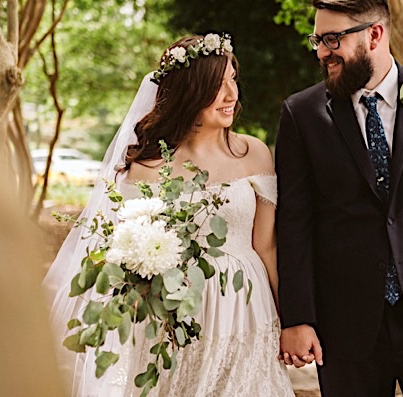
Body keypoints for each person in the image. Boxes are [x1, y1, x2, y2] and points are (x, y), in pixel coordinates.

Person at [42, 34, 293, 396]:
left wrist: (291, 321)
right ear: (188, 92)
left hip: (248, 312)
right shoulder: (145, 168)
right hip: (172, 323)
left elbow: (267, 247)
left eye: (233, 79)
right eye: (216, 85)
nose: (231, 94)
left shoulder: (253, 153)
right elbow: (122, 254)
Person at [275, 1, 403, 395]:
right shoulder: (301, 115)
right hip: (345, 328)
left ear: (374, 34)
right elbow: (294, 224)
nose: (322, 51)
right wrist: (298, 317)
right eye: (317, 40)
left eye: (332, 39)